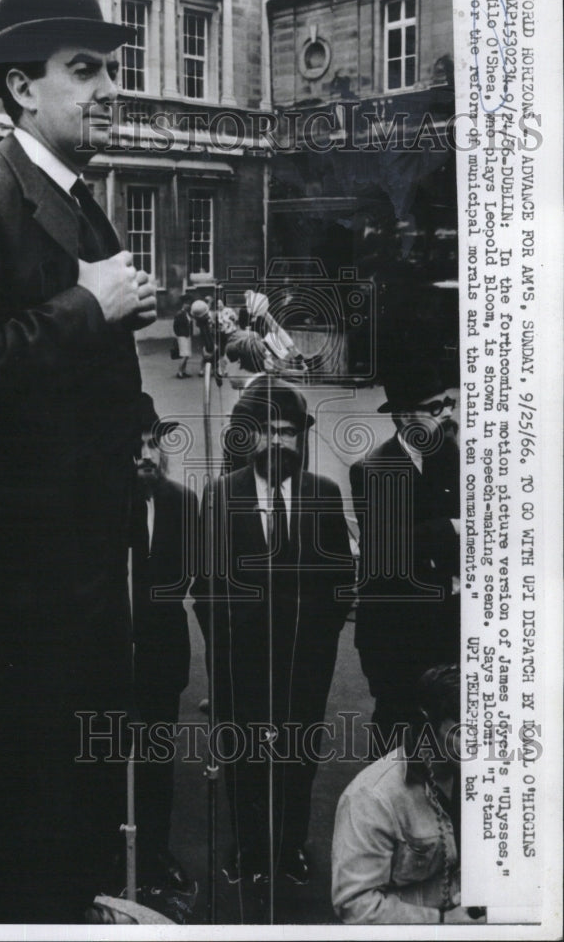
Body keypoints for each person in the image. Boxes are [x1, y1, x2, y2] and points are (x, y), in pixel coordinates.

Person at [0, 0, 156, 923]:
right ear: (21, 86)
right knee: (36, 815)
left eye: (107, 70)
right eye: (83, 69)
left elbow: (67, 373)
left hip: (88, 569)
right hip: (24, 586)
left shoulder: (78, 200)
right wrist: (86, 306)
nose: (106, 89)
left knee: (82, 804)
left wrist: (132, 430)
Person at [192, 377, 355, 889]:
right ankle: (248, 848)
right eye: (268, 431)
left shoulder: (323, 494)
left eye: (288, 432)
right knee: (243, 756)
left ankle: (288, 848)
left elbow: (340, 584)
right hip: (241, 661)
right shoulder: (220, 496)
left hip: (305, 663)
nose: (280, 441)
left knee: (297, 755)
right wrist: (226, 647)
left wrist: (318, 644)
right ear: (250, 438)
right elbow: (205, 588)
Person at [350, 353, 460, 752]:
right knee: (397, 746)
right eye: (434, 408)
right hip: (396, 641)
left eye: (448, 403)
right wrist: (449, 529)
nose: (447, 414)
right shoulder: (373, 470)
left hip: (448, 634)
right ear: (402, 417)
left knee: (449, 742)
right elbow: (388, 550)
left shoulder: (457, 460)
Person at [332, 664, 485, 925]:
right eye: (463, 730)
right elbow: (355, 905)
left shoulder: (481, 774)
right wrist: (442, 921)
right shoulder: (371, 797)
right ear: (429, 723)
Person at [130, 393, 198, 894]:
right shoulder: (100, 505)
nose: (147, 455)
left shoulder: (182, 501)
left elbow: (191, 576)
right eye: (135, 446)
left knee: (156, 762)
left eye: (153, 443)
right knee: (109, 759)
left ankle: (155, 853)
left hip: (162, 658)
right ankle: (115, 857)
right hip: (111, 657)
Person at [173, 295, 193, 378]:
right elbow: (175, 326)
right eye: (186, 304)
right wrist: (179, 334)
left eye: (189, 304)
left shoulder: (187, 314)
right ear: (183, 305)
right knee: (184, 355)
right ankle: (179, 372)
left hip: (187, 336)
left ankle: (184, 371)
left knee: (187, 355)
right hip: (182, 336)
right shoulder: (179, 314)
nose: (188, 305)